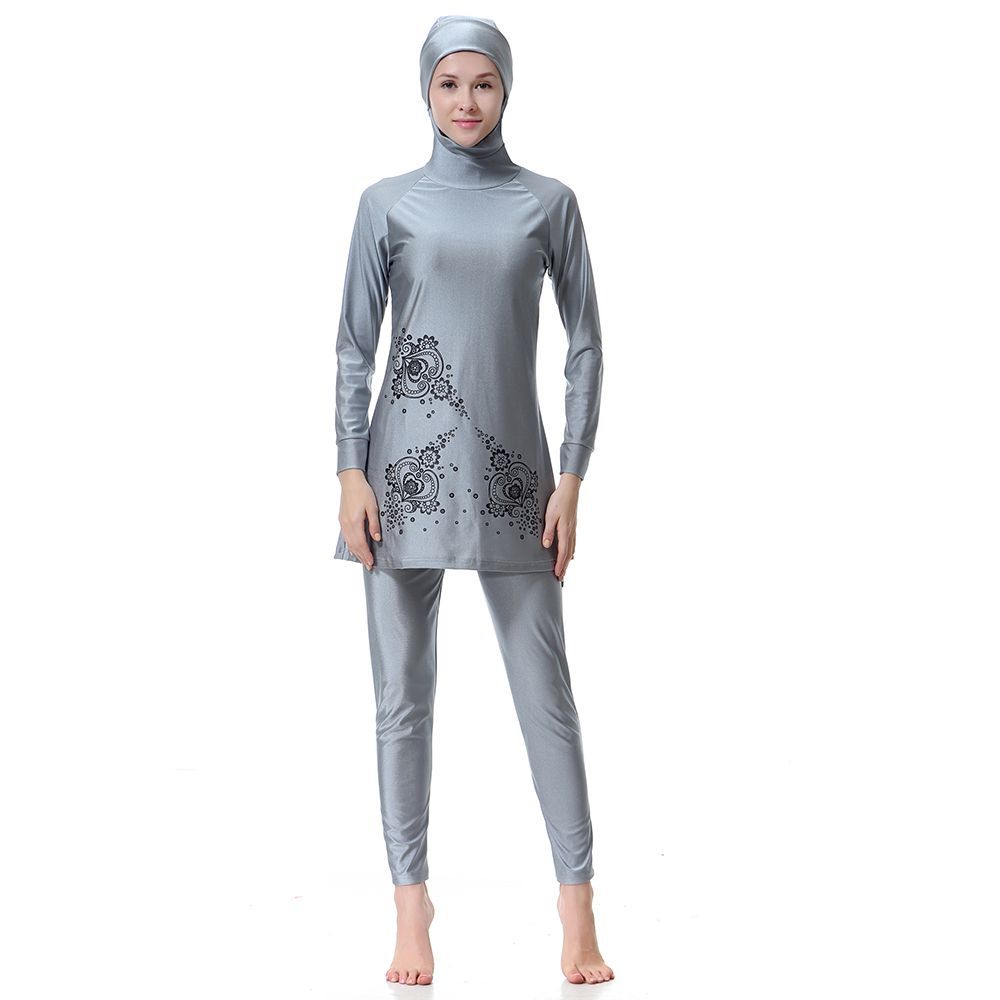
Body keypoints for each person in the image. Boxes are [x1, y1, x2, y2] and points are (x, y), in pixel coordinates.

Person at [333, 15, 612, 987]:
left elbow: (585, 345)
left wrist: (571, 474)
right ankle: (411, 907)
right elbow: (352, 346)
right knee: (401, 700)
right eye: (449, 83)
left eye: (482, 83)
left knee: (547, 696)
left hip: (514, 479)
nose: (465, 101)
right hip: (399, 478)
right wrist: (350, 470)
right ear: (425, 90)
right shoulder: (386, 205)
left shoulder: (548, 203)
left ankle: (577, 907)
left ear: (506, 91)